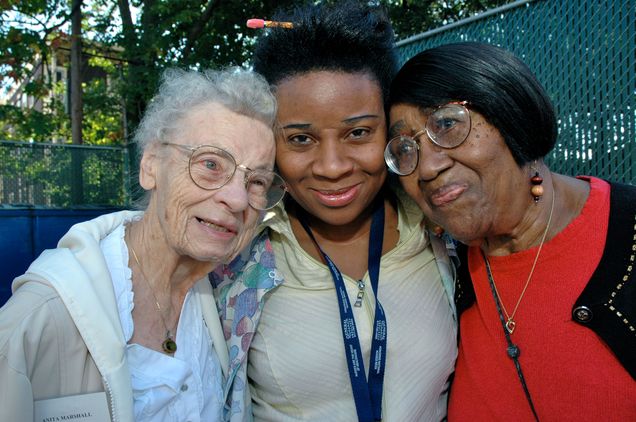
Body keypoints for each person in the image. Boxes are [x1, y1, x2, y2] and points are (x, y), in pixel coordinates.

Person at [210, 2, 457, 421]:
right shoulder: (235, 258)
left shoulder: (444, 234)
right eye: (300, 139)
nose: (332, 167)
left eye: (358, 132)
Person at [0, 67, 285, 421]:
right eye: (211, 164)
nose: (238, 199)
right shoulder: (38, 320)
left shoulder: (228, 299)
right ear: (150, 165)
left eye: (257, 182)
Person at [384, 41, 636, 420]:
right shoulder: (445, 270)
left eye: (447, 124)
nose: (427, 167)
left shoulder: (625, 233)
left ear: (511, 114)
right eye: (405, 149)